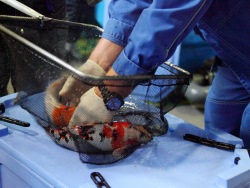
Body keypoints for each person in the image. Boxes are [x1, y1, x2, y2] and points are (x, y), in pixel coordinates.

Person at [54, 0, 250, 148]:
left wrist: (108, 92)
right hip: (236, 55)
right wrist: (95, 65)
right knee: (219, 137)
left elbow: (167, 16)